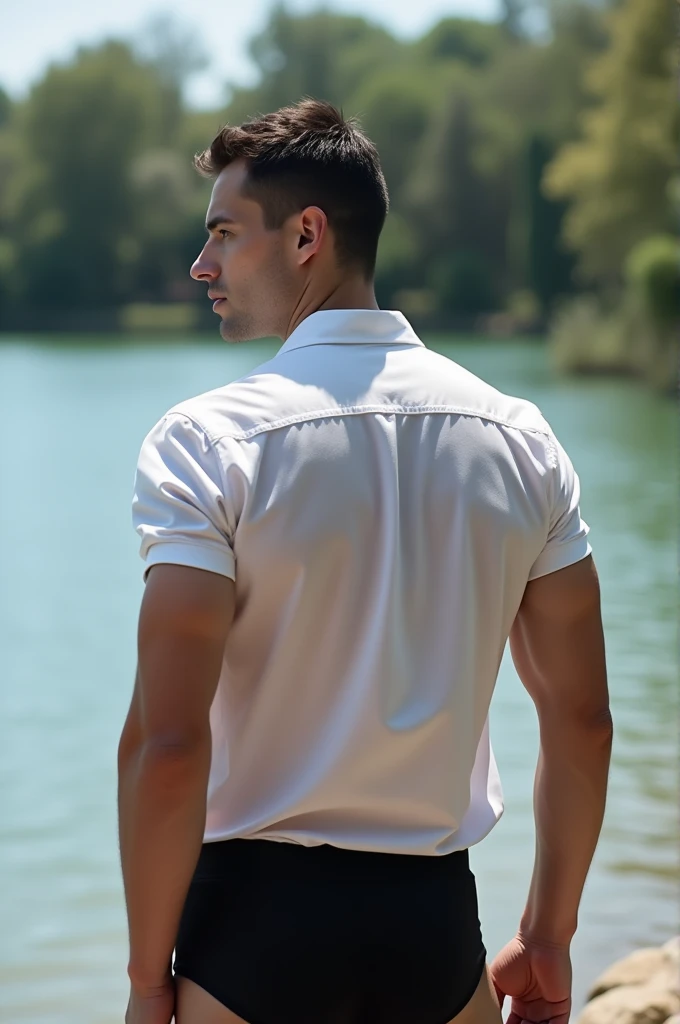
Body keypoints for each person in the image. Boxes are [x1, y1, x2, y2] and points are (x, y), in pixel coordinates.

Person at [117, 99, 613, 1024]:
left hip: (249, 930)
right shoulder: (521, 440)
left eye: (224, 233)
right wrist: (547, 934)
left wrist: (151, 980)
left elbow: (167, 744)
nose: (202, 264)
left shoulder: (205, 442)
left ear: (308, 234)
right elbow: (581, 719)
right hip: (431, 926)